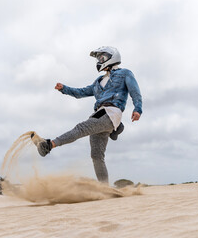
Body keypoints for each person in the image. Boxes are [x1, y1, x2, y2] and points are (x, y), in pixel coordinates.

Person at [33, 46, 142, 184]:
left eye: (101, 57)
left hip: (111, 111)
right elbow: (81, 92)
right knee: (96, 156)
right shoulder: (98, 82)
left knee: (81, 128)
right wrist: (64, 89)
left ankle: (48, 145)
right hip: (101, 114)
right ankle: (105, 189)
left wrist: (138, 108)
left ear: (111, 57)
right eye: (98, 58)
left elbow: (135, 91)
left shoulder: (125, 73)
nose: (99, 60)